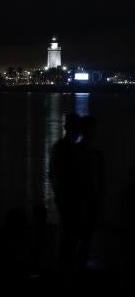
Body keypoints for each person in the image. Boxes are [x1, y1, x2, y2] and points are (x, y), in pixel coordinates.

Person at [49, 113, 82, 274]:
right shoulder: (72, 149)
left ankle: (64, 267)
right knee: (71, 233)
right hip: (70, 197)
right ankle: (68, 267)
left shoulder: (61, 147)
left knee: (68, 232)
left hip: (65, 196)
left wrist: (57, 192)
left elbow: (52, 172)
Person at [76, 116, 104, 270]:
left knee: (78, 238)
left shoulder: (77, 152)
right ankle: (81, 267)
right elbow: (101, 180)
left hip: (81, 201)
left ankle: (76, 268)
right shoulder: (95, 154)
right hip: (87, 200)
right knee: (85, 238)